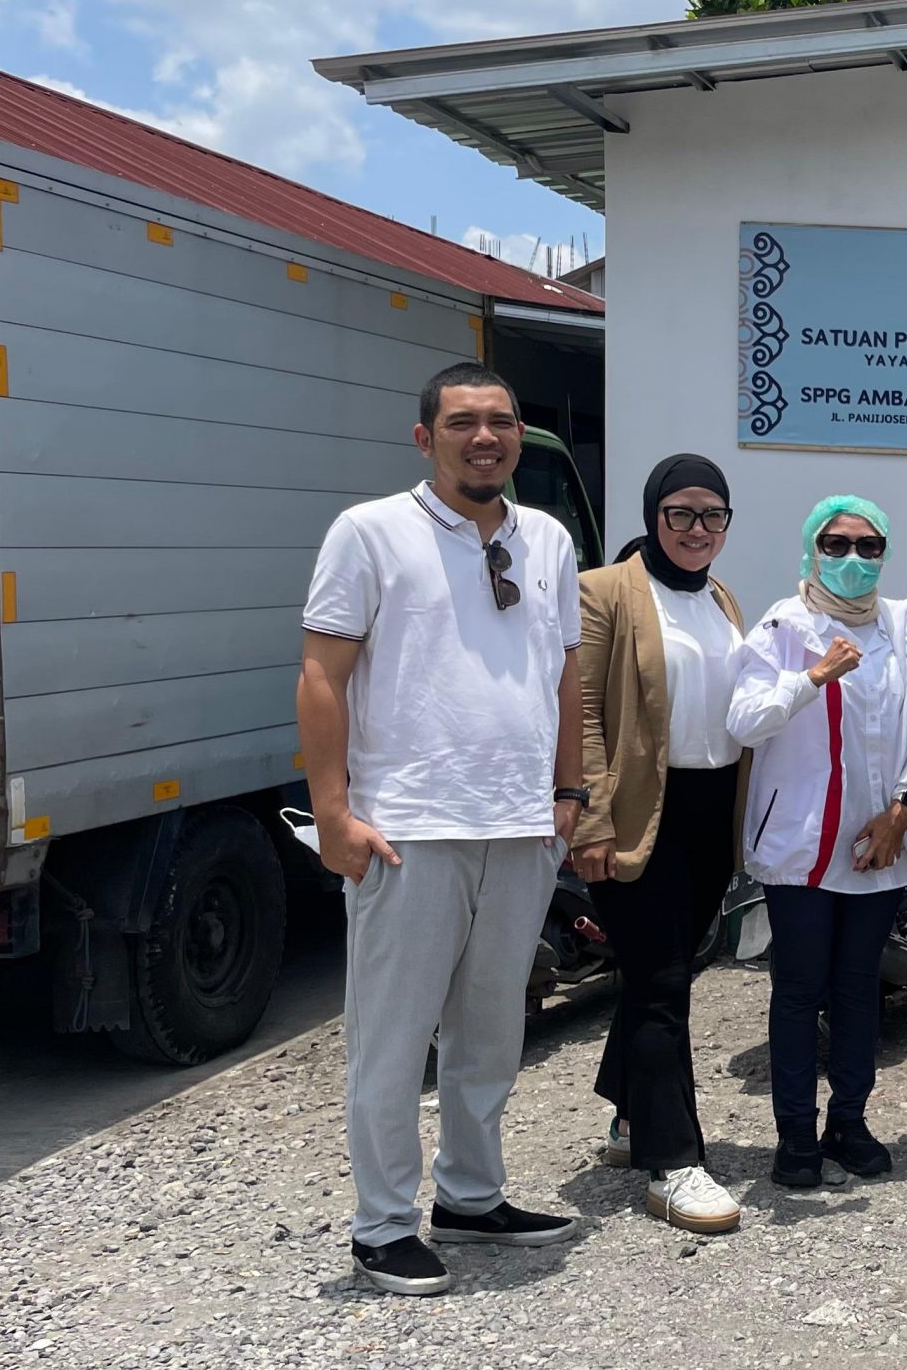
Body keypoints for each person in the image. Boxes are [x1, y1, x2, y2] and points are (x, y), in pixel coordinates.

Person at [298, 362, 584, 1297]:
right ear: (426, 438)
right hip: (409, 827)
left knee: (492, 1032)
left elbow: (564, 672)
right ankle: (382, 1226)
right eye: (462, 422)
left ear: (519, 436)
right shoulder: (370, 532)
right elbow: (322, 675)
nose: (484, 437)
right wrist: (334, 813)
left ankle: (471, 1196)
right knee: (393, 1041)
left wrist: (568, 792)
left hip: (519, 826)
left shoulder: (547, 539)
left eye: (501, 421)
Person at [728, 496, 907, 1191]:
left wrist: (904, 806)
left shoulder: (904, 625)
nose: (853, 558)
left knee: (857, 988)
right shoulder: (784, 626)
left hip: (878, 844)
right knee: (798, 989)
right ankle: (795, 1135)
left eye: (868, 545)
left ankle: (849, 1121)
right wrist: (812, 677)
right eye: (837, 544)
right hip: (801, 844)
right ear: (812, 551)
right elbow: (744, 722)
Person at [572, 454, 747, 1235]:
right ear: (653, 516)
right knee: (660, 983)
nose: (697, 528)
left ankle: (629, 1114)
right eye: (681, 512)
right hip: (641, 813)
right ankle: (672, 1163)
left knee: (663, 972)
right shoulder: (605, 590)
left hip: (711, 814)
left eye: (713, 514)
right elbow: (580, 711)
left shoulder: (721, 598)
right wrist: (590, 822)